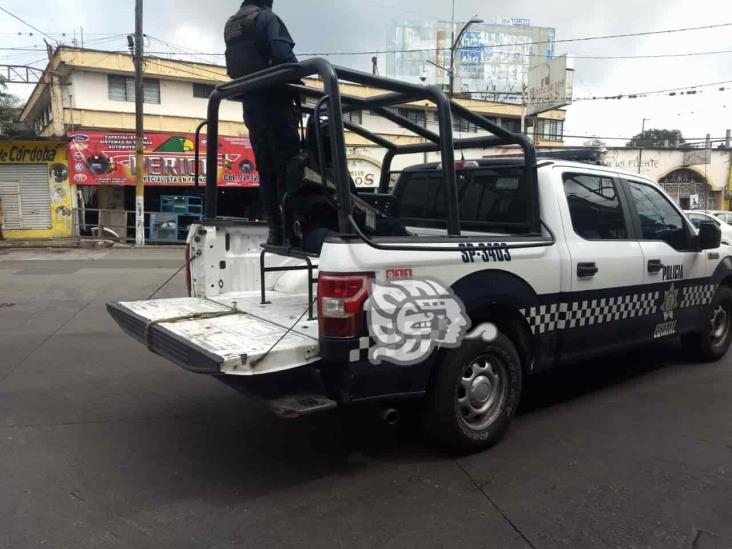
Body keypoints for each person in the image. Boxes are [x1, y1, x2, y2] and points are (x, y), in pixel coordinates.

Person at [224, 0, 300, 245]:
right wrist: (299, 79)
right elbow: (283, 56)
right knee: (289, 168)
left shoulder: (232, 24)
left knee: (266, 171)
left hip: (252, 106)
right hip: (276, 103)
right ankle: (293, 231)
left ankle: (276, 231)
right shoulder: (266, 18)